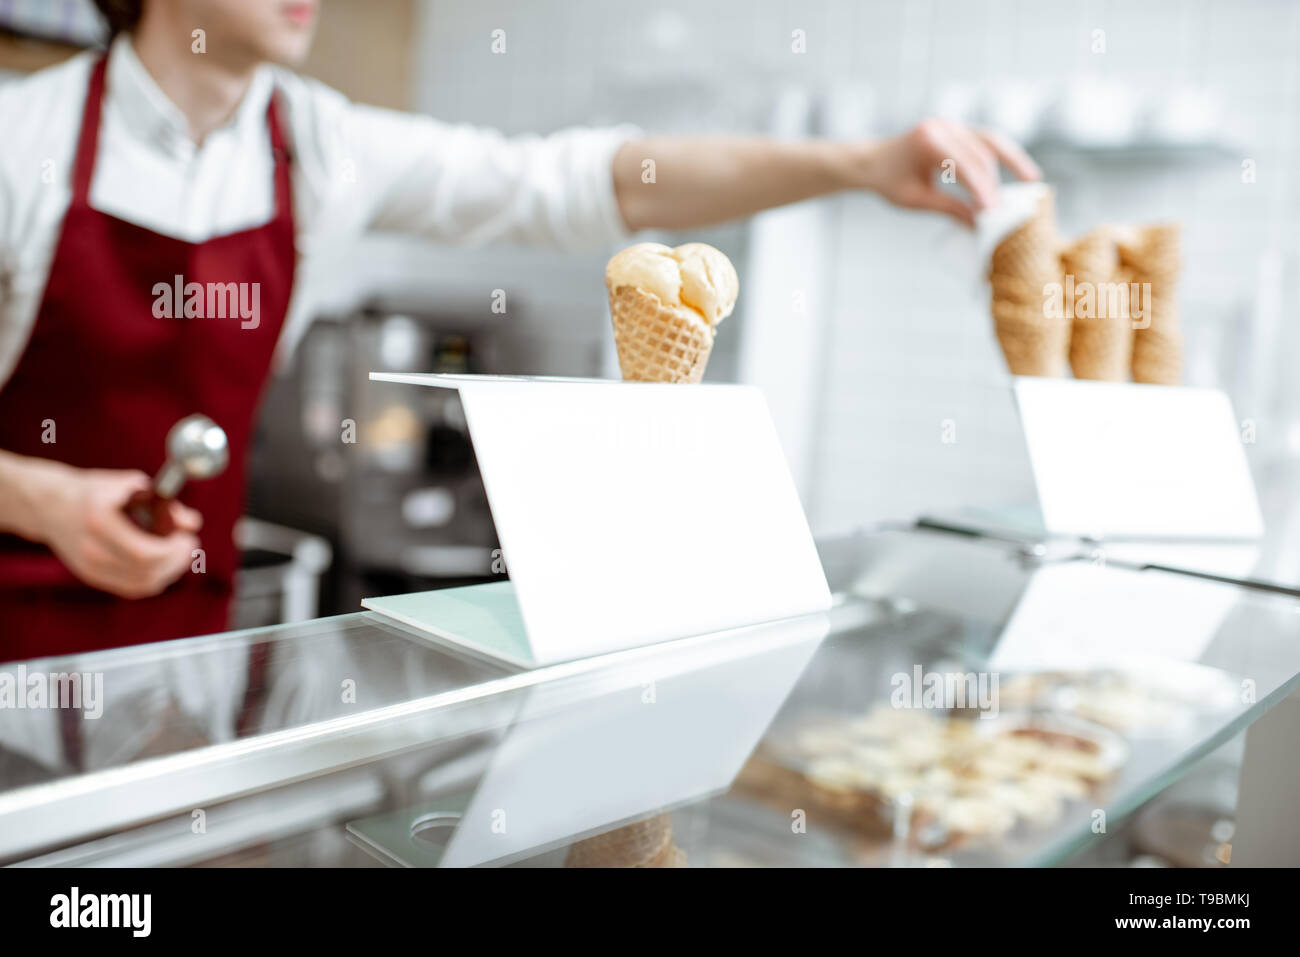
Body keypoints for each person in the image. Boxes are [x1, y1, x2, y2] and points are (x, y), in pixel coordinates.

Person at [0, 0, 1041, 661]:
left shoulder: (317, 144)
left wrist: (853, 166)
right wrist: (42, 494)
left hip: (187, 634)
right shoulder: (23, 138)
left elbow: (582, 181)